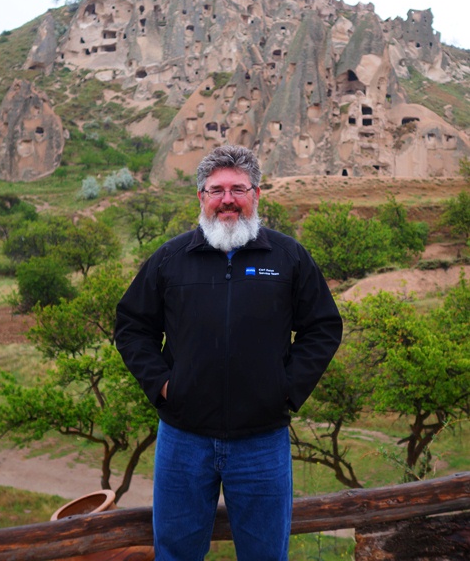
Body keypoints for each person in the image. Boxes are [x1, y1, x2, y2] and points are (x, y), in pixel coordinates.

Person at [115, 145, 342, 561]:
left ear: (257, 194)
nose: (227, 199)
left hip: (262, 440)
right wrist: (164, 386)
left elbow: (323, 327)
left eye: (238, 188)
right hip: (183, 439)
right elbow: (132, 327)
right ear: (201, 197)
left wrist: (286, 390)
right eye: (216, 189)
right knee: (176, 553)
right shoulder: (170, 258)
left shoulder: (288, 257)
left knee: (265, 554)